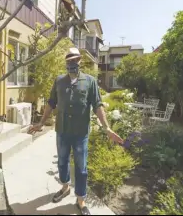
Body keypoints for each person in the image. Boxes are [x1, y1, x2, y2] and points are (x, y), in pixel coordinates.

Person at [28, 47, 123, 215]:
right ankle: (65, 188)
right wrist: (41, 122)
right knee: (62, 162)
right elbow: (51, 102)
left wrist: (106, 127)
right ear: (66, 62)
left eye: (75, 60)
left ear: (80, 61)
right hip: (62, 131)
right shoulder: (59, 81)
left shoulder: (90, 81)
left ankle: (81, 199)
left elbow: (97, 105)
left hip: (80, 133)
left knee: (81, 167)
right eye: (69, 60)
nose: (72, 63)